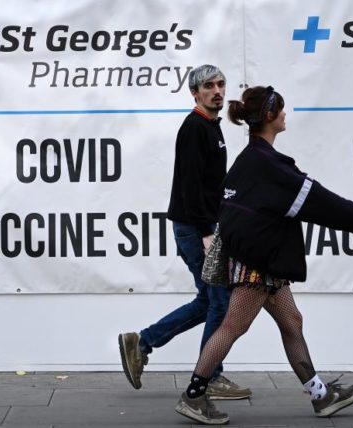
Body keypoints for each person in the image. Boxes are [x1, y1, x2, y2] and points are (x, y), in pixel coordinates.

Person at [174, 85, 353, 425]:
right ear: (269, 116)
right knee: (232, 326)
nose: (285, 114)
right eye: (281, 109)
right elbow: (319, 200)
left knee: (291, 321)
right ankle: (193, 396)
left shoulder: (250, 159)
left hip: (264, 260)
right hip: (257, 265)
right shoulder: (267, 165)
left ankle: (321, 395)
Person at [118, 64, 251, 400]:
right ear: (195, 93)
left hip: (200, 226)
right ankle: (210, 376)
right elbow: (191, 187)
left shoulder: (211, 126)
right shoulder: (195, 128)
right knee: (219, 302)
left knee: (208, 301)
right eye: (209, 86)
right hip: (196, 229)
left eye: (220, 84)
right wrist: (207, 233)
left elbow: (210, 186)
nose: (217, 91)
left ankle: (143, 341)